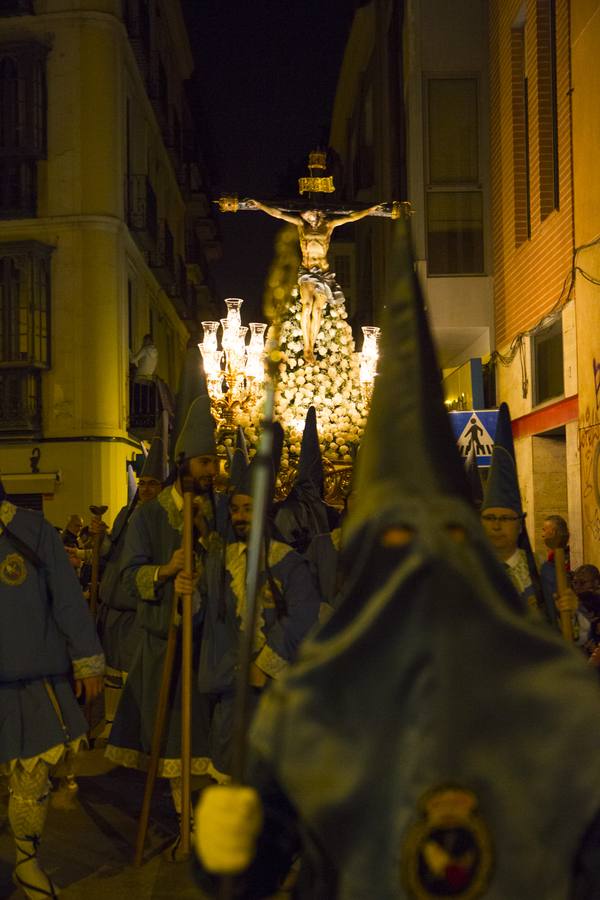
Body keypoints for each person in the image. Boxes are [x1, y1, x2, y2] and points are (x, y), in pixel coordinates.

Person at [194, 218, 600, 900]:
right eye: (394, 547)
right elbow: (252, 873)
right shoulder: (313, 706)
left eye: (438, 545)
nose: (417, 572)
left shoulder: (560, 702)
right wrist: (226, 850)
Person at [105, 393, 220, 858]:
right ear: (185, 463)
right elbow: (123, 581)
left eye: (214, 462)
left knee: (215, 740)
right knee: (174, 737)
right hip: (165, 646)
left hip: (212, 646)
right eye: (206, 462)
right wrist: (167, 572)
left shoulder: (219, 513)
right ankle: (184, 825)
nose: (213, 472)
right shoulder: (149, 518)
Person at [0, 482, 104, 898]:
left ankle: (26, 863)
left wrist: (86, 658)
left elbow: (66, 597)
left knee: (30, 780)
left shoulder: (32, 530)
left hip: (30, 679)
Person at [195, 446, 321, 780]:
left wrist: (265, 665)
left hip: (276, 690)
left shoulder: (288, 563)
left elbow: (303, 616)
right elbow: (203, 611)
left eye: (248, 509)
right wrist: (184, 592)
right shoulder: (218, 562)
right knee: (229, 768)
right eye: (235, 509)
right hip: (228, 685)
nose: (239, 516)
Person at [245, 199, 385, 361]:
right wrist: (260, 205)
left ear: (317, 213)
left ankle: (311, 344)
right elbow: (279, 214)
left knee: (317, 310)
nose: (306, 217)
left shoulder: (329, 226)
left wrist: (370, 209)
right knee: (307, 305)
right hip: (307, 271)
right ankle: (307, 346)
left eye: (309, 214)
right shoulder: (301, 226)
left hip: (323, 273)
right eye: (305, 215)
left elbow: (352, 217)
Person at [94, 435, 167, 745]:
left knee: (134, 675)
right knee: (112, 674)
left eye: (153, 483)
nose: (146, 488)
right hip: (112, 610)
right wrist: (101, 540)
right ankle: (113, 726)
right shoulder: (126, 513)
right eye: (144, 482)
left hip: (138, 612)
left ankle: (139, 734)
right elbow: (113, 555)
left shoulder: (163, 521)